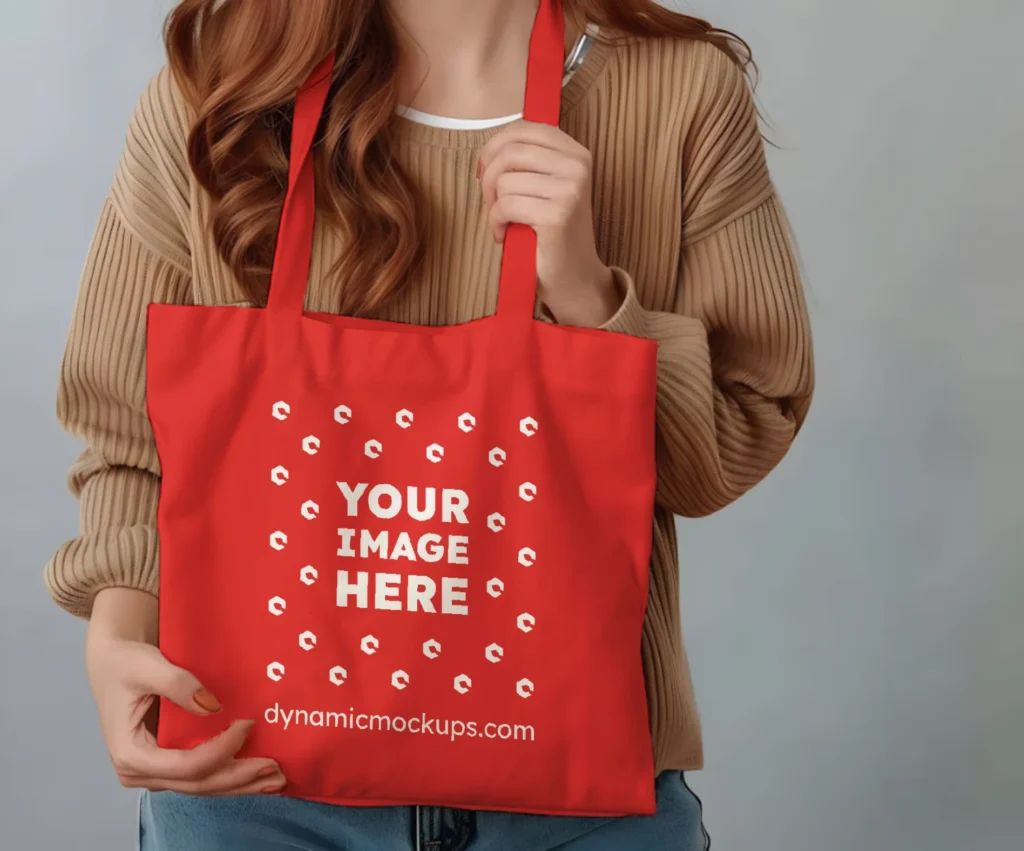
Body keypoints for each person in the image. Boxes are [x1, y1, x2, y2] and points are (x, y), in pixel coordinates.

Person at [46, 0, 813, 848]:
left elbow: (735, 437)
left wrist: (592, 299)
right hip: (252, 787)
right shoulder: (219, 93)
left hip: (576, 805)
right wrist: (117, 634)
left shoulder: (681, 93)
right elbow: (127, 438)